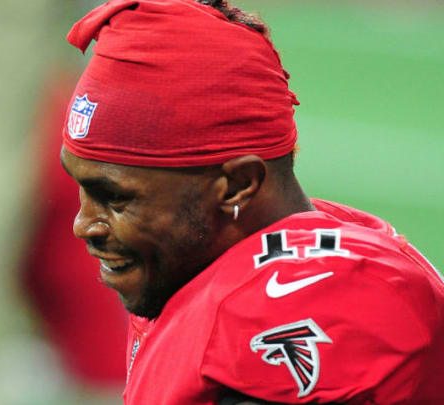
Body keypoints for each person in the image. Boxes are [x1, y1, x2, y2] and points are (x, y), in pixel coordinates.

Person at [58, 0, 444, 404]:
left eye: (116, 198)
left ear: (238, 184)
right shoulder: (198, 265)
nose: (84, 224)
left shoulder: (308, 302)